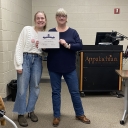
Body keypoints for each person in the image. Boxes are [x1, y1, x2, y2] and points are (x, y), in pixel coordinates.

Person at [40, 8, 90, 127]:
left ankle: (80, 114)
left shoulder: (73, 32)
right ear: (56, 18)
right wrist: (43, 46)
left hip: (70, 68)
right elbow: (44, 49)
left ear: (66, 18)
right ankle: (56, 116)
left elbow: (79, 46)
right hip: (54, 67)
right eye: (59, 16)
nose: (61, 18)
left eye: (63, 16)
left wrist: (67, 45)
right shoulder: (51, 32)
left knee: (74, 92)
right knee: (55, 92)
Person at [13, 11, 47, 127]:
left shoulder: (45, 35)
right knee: (22, 88)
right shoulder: (26, 29)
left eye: (42, 18)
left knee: (35, 87)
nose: (40, 20)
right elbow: (19, 46)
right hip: (25, 58)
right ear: (35, 20)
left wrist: (42, 46)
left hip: (37, 60)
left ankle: (30, 110)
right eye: (38, 18)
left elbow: (45, 53)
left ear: (45, 20)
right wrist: (18, 64)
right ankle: (21, 113)